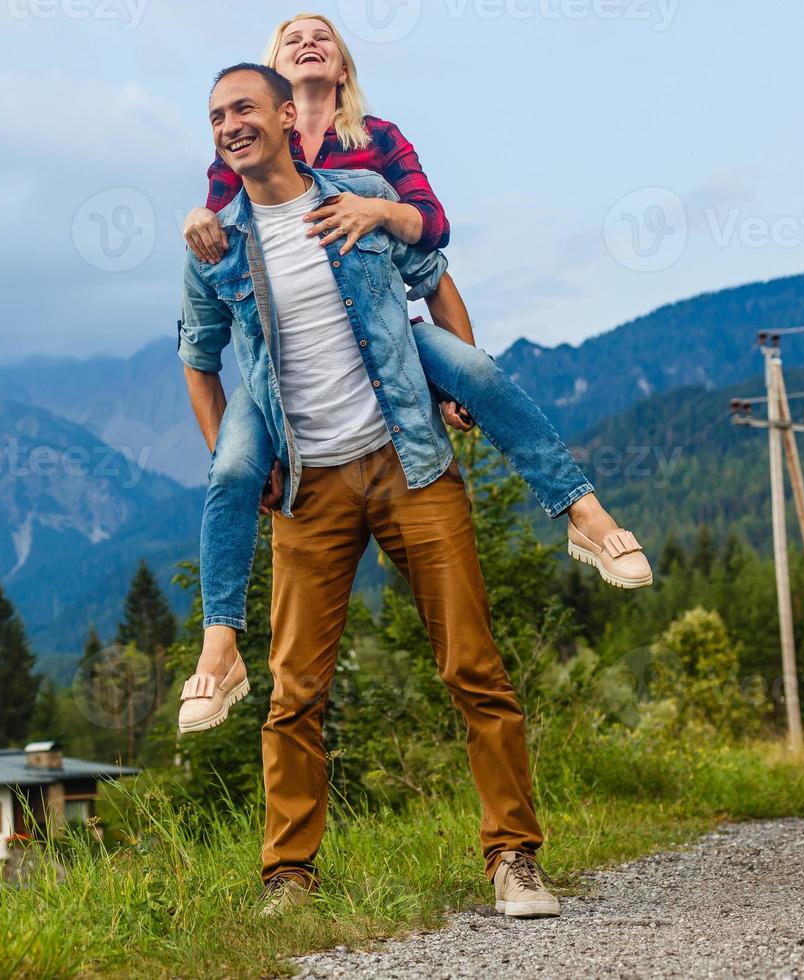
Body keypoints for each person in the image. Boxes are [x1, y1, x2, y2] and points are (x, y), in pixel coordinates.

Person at [176, 13, 651, 740]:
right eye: (294, 35)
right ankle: (220, 643)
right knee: (232, 468)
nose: (310, 41)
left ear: (332, 75)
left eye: (324, 36)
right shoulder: (237, 151)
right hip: (284, 386)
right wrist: (193, 222)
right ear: (272, 74)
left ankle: (583, 512)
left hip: (394, 343)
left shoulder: (374, 146)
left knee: (478, 370)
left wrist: (378, 209)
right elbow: (218, 240)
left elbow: (432, 228)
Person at [178, 62, 560, 918]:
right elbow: (198, 359)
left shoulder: (359, 199)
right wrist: (241, 461)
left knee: (473, 667)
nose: (228, 126)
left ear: (286, 115)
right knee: (293, 694)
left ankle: (514, 858)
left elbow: (435, 274)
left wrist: (461, 377)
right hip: (307, 488)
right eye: (214, 117)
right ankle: (289, 878)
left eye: (243, 109)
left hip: (408, 462)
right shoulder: (216, 243)